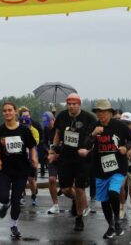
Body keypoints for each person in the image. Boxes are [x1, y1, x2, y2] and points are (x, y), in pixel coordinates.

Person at [78, 99, 131, 239]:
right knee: (104, 200)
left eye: (103, 112)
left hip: (118, 166)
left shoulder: (119, 126)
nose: (100, 115)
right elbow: (85, 144)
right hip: (100, 169)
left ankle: (117, 221)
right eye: (98, 112)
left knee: (113, 192)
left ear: (109, 112)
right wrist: (93, 134)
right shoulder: (94, 126)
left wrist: (126, 148)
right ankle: (111, 226)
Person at [49, 93, 96, 231]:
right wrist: (52, 151)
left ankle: (79, 218)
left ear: (79, 104)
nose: (71, 106)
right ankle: (79, 201)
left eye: (74, 104)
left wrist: (87, 151)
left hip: (82, 158)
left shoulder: (89, 118)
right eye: (69, 103)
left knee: (81, 188)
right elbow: (57, 134)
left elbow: (95, 139)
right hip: (65, 156)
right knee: (65, 189)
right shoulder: (62, 116)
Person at [0, 102, 38, 239]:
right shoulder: (0, 130)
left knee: (16, 199)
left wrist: (34, 158)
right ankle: (5, 203)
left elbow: (32, 146)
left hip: (21, 170)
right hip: (6, 169)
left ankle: (14, 225)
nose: (7, 113)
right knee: (2, 197)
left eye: (10, 110)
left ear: (15, 112)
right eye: (4, 111)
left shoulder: (24, 130)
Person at [18, 106, 40, 206]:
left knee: (31, 179)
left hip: (31, 157)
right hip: (20, 157)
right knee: (20, 177)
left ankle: (34, 195)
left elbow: (36, 143)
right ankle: (21, 196)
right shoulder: (17, 128)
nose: (26, 118)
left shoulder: (34, 130)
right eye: (24, 116)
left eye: (28, 116)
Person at [42, 111, 61, 214]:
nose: (48, 126)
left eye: (49, 123)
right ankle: (55, 204)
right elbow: (44, 142)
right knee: (52, 179)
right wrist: (47, 150)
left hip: (62, 157)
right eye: (46, 124)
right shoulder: (45, 129)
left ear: (53, 120)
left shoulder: (59, 128)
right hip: (51, 158)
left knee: (69, 186)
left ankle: (77, 202)